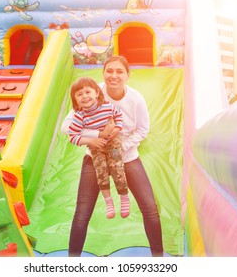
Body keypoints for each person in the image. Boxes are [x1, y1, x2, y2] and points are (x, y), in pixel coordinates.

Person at [61, 55, 164, 257]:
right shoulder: (91, 93)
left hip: (126, 157)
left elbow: (143, 130)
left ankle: (158, 259)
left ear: (128, 75)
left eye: (119, 71)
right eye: (109, 71)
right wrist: (95, 137)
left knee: (150, 208)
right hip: (95, 157)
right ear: (103, 73)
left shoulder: (135, 99)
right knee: (82, 213)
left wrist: (119, 149)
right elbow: (67, 127)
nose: (113, 75)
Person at [68, 77, 130, 219]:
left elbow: (118, 115)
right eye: (79, 94)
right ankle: (109, 202)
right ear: (75, 99)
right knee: (101, 173)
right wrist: (91, 140)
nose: (84, 96)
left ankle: (124, 198)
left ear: (96, 93)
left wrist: (118, 127)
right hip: (96, 148)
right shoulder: (79, 117)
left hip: (113, 144)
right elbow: (72, 136)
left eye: (87, 92)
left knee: (117, 169)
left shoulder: (107, 107)